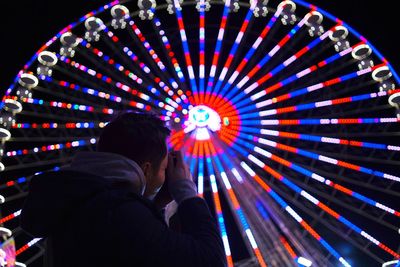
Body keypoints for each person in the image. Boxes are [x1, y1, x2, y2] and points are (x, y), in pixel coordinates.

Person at [20, 111, 227, 267]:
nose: (167, 176)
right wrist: (187, 193)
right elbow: (211, 260)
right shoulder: (119, 212)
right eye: (164, 169)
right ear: (146, 169)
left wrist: (156, 205)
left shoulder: (75, 201)